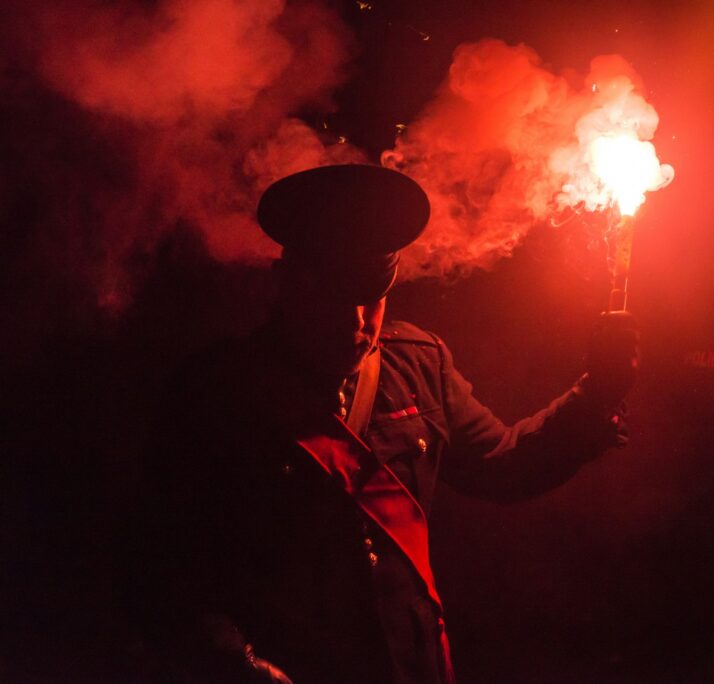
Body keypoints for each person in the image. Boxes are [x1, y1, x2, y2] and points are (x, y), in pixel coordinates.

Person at [137, 164, 637, 683]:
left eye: (371, 297)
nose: (357, 322)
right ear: (287, 285)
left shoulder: (420, 362)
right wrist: (234, 663)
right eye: (334, 298)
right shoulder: (216, 392)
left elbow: (501, 465)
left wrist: (595, 394)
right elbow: (159, 569)